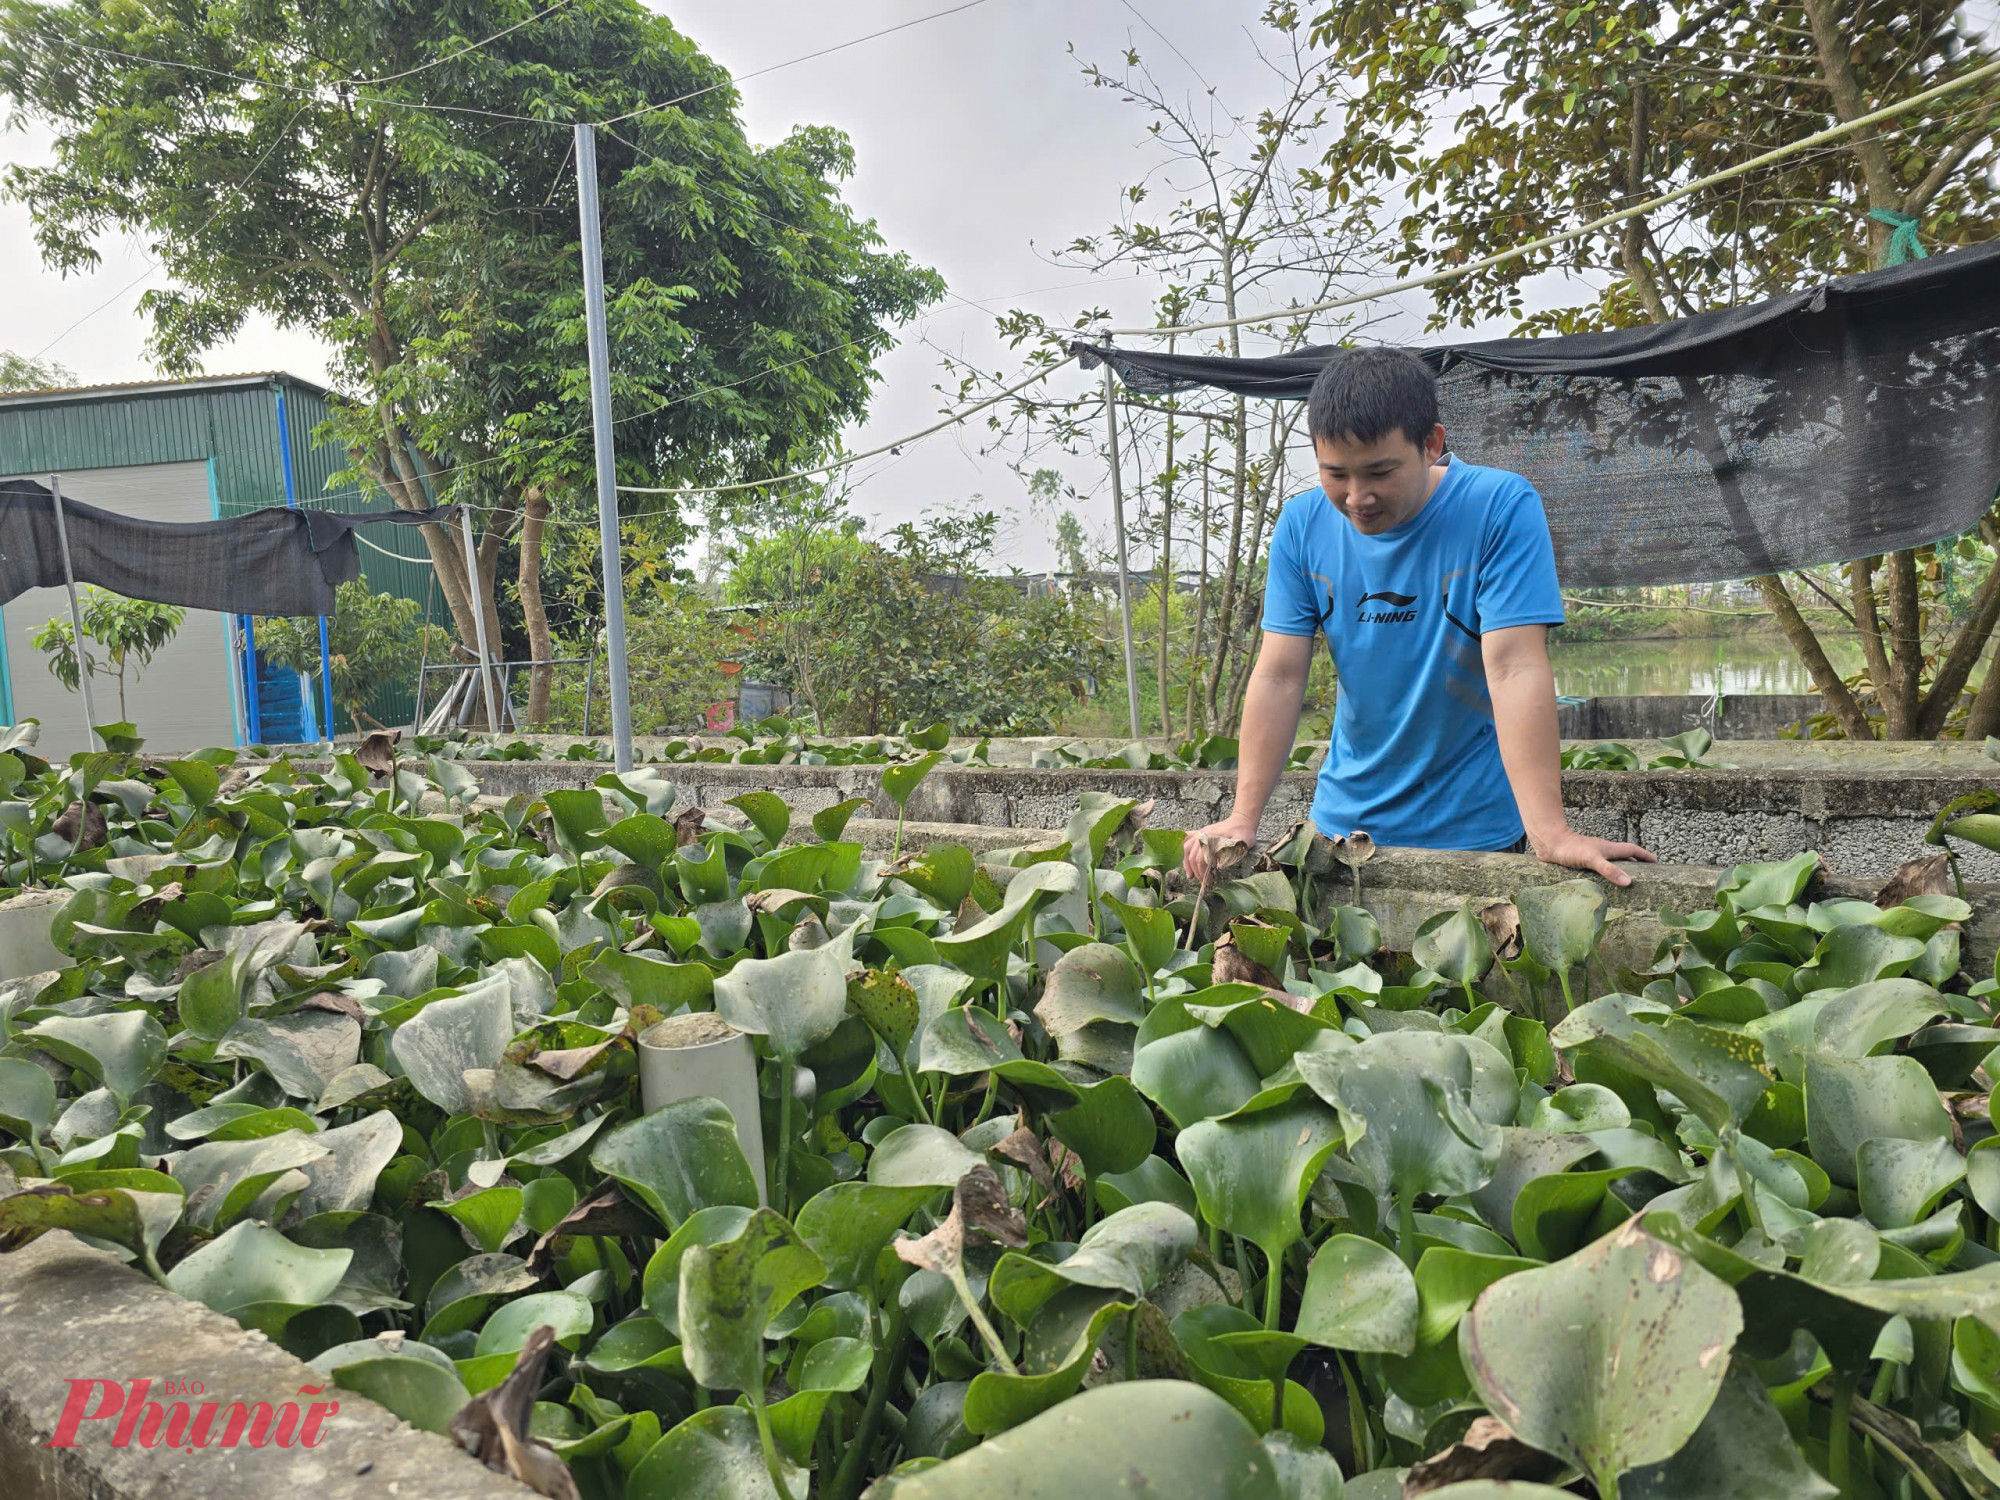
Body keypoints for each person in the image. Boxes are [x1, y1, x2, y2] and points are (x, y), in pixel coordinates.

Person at [1183, 347, 1654, 887]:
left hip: (1476, 832)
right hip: (1338, 831)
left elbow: (1514, 668)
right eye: (1335, 474)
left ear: (1431, 444)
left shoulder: (1499, 506)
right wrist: (1244, 817)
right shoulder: (1301, 524)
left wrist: (1549, 831)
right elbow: (1279, 674)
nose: (1358, 498)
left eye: (1380, 472)